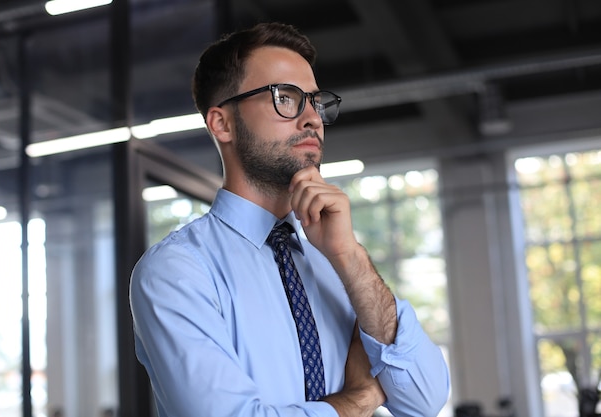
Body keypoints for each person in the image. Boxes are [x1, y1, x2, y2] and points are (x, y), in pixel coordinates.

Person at [130, 22, 450, 417]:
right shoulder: (177, 272)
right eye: (285, 97)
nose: (312, 118)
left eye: (315, 102)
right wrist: (360, 400)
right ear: (221, 123)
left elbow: (425, 399)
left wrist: (349, 256)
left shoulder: (334, 257)